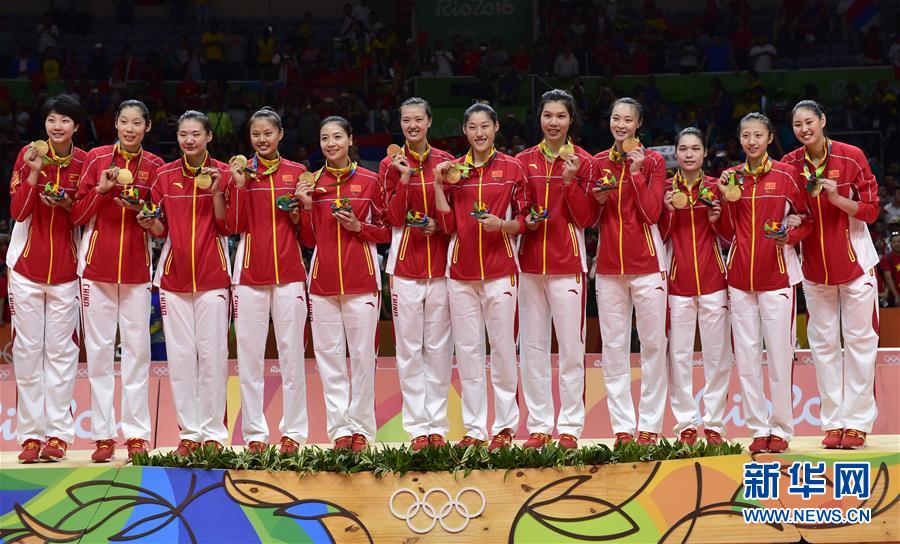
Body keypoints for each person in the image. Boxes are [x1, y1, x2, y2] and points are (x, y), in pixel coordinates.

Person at [782, 100, 880, 450]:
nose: (804, 129)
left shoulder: (852, 157)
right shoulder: (790, 165)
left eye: (809, 121)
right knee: (823, 347)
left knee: (859, 344)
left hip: (856, 266)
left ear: (822, 120)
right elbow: (788, 215)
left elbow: (871, 211)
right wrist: (790, 222)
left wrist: (837, 198)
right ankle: (834, 422)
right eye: (797, 124)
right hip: (815, 271)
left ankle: (857, 423)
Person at [71, 99, 165, 462]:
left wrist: (144, 214)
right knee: (98, 355)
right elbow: (77, 215)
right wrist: (101, 190)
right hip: (96, 271)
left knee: (137, 354)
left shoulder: (155, 166)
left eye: (137, 123)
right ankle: (103, 436)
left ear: (147, 127)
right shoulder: (97, 159)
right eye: (124, 121)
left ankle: (137, 434)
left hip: (137, 273)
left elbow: (160, 227)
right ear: (115, 124)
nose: (129, 128)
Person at [713, 112, 812, 454]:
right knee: (747, 357)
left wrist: (790, 236)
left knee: (780, 355)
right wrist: (724, 199)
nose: (751, 141)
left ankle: (781, 429)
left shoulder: (786, 176)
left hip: (778, 277)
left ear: (770, 138)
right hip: (740, 279)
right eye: (746, 136)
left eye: (758, 135)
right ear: (739, 139)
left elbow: (807, 221)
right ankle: (757, 427)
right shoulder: (730, 177)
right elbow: (725, 232)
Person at [432, 103, 528, 450]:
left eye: (484, 126)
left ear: (496, 127)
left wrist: (502, 225)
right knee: (469, 353)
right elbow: (446, 226)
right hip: (461, 274)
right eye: (472, 127)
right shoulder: (454, 171)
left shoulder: (513, 168)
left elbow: (525, 220)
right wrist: (439, 186)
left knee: (502, 351)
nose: (479, 133)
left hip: (501, 271)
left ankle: (505, 427)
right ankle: (474, 428)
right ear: (465, 131)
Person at [139, 110, 232, 457]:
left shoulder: (224, 173)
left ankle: (214, 434)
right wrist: (148, 222)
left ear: (209, 136)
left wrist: (218, 191)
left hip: (213, 277)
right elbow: (159, 227)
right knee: (180, 359)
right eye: (183, 134)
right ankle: (190, 434)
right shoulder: (164, 176)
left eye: (195, 134)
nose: (189, 140)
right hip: (173, 279)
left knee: (213, 356)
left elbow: (227, 225)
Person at [295, 115, 389, 452]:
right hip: (322, 284)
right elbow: (308, 240)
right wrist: (307, 206)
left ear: (350, 139)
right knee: (329, 359)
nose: (331, 143)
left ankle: (361, 429)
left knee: (363, 358)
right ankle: (339, 431)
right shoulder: (312, 183)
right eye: (325, 138)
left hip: (362, 282)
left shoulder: (370, 180)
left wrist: (358, 228)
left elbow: (386, 231)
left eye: (337, 137)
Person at [226, 107, 310, 455]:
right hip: (248, 275)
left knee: (292, 357)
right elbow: (232, 225)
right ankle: (254, 435)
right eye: (256, 134)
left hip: (289, 274)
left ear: (280, 135)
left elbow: (307, 232)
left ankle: (294, 433)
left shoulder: (298, 172)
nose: (262, 140)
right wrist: (239, 186)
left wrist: (301, 212)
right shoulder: (240, 172)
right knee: (249, 358)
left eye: (268, 133)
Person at [515, 89, 595, 450]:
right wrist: (527, 221)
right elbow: (519, 211)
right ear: (540, 118)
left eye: (560, 116)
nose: (553, 122)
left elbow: (587, 218)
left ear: (570, 120)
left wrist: (570, 181)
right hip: (530, 266)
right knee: (532, 348)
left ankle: (570, 426)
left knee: (571, 349)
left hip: (568, 266)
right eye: (547, 115)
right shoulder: (523, 161)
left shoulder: (584, 162)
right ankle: (539, 426)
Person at [9, 94, 87, 463]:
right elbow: (18, 211)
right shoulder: (27, 155)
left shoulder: (85, 163)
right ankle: (30, 436)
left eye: (65, 120)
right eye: (52, 120)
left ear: (76, 126)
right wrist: (34, 173)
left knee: (61, 354)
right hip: (26, 271)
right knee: (27, 354)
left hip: (67, 275)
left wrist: (68, 204)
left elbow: (85, 215)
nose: (57, 126)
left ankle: (57, 434)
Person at [590, 97, 668, 446]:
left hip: (648, 266)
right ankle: (622, 427)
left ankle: (649, 425)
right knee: (613, 348)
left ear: (639, 124)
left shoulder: (653, 161)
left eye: (627, 119)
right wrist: (596, 200)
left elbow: (652, 214)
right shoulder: (598, 163)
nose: (620, 125)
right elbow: (588, 217)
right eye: (615, 118)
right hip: (609, 268)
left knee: (653, 345)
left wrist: (636, 175)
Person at [378, 98, 455, 450]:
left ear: (429, 122)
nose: (412, 126)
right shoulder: (389, 164)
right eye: (406, 120)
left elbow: (453, 218)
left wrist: (437, 226)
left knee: (438, 349)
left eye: (418, 119)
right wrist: (404, 178)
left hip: (440, 266)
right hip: (404, 267)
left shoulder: (447, 163)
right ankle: (416, 428)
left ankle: (437, 426)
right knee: (409, 349)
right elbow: (393, 219)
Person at [658, 127, 732, 446]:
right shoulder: (664, 189)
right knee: (679, 356)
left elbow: (730, 235)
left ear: (704, 153)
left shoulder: (717, 188)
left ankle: (714, 424)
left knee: (718, 356)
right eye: (683, 149)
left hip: (714, 279)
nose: (689, 154)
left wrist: (718, 218)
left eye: (695, 149)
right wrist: (667, 213)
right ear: (676, 153)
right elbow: (658, 236)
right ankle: (686, 424)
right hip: (678, 283)